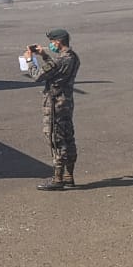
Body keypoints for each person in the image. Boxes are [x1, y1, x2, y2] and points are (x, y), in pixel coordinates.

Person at [24, 28, 81, 190]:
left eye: (52, 42)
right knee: (68, 138)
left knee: (56, 140)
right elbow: (56, 68)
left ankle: (57, 179)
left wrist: (29, 61)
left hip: (55, 104)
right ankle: (69, 176)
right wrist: (44, 55)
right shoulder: (73, 57)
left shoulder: (59, 61)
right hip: (67, 103)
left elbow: (38, 75)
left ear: (58, 42)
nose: (51, 44)